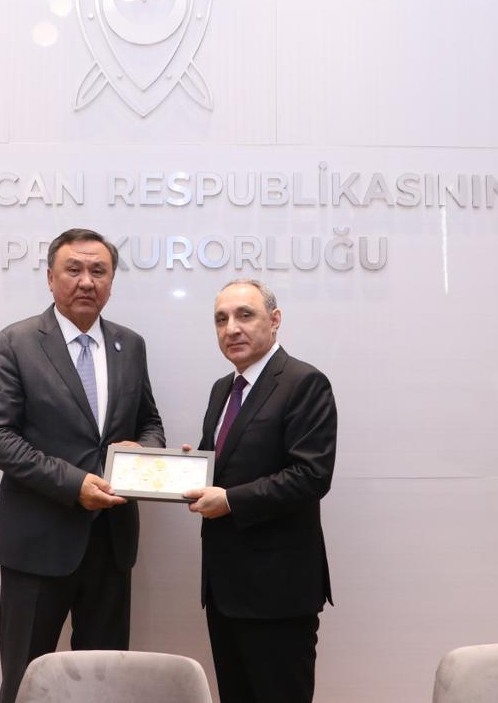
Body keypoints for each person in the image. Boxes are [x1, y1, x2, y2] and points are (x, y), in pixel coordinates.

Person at [0, 228, 166, 703]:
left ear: (111, 282)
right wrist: (73, 483)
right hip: (37, 544)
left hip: (111, 544)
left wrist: (144, 451)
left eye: (98, 271)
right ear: (50, 277)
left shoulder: (131, 345)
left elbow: (150, 421)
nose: (86, 281)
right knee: (25, 682)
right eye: (74, 269)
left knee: (105, 685)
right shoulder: (17, 341)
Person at [182, 279, 337, 703]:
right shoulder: (222, 389)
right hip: (224, 590)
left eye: (244, 315)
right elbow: (228, 466)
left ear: (275, 319)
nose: (231, 328)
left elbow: (311, 475)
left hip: (278, 594)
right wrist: (192, 470)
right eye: (221, 319)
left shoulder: (304, 382)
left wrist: (230, 501)